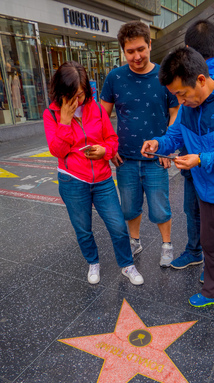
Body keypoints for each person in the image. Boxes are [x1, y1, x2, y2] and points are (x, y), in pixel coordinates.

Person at [141, 47, 214, 328]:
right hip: (206, 194)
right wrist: (159, 143)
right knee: (211, 247)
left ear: (202, 80)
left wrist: (202, 159)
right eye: (176, 96)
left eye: (182, 93)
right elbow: (175, 134)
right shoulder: (188, 107)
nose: (180, 100)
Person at [43, 61, 144, 286]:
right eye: (72, 95)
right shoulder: (51, 113)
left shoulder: (96, 108)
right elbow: (57, 150)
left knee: (118, 226)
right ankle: (93, 262)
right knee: (83, 229)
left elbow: (112, 139)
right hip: (72, 180)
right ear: (61, 91)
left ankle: (127, 265)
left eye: (81, 94)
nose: (77, 100)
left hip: (102, 178)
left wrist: (104, 151)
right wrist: (65, 121)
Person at [100, 21, 179, 267]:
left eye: (141, 49)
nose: (136, 56)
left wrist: (167, 147)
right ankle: (135, 241)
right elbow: (102, 117)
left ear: (150, 44)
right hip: (125, 158)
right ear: (123, 50)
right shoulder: (114, 77)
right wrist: (109, 148)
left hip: (157, 158)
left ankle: (167, 244)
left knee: (160, 207)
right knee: (129, 208)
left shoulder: (165, 76)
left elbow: (175, 113)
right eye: (130, 51)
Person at [170, 19, 214, 272]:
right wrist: (164, 142)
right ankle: (201, 256)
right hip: (203, 160)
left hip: (203, 160)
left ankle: (206, 260)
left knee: (204, 213)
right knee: (202, 212)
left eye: (183, 94)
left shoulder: (210, 81)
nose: (182, 99)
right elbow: (178, 128)